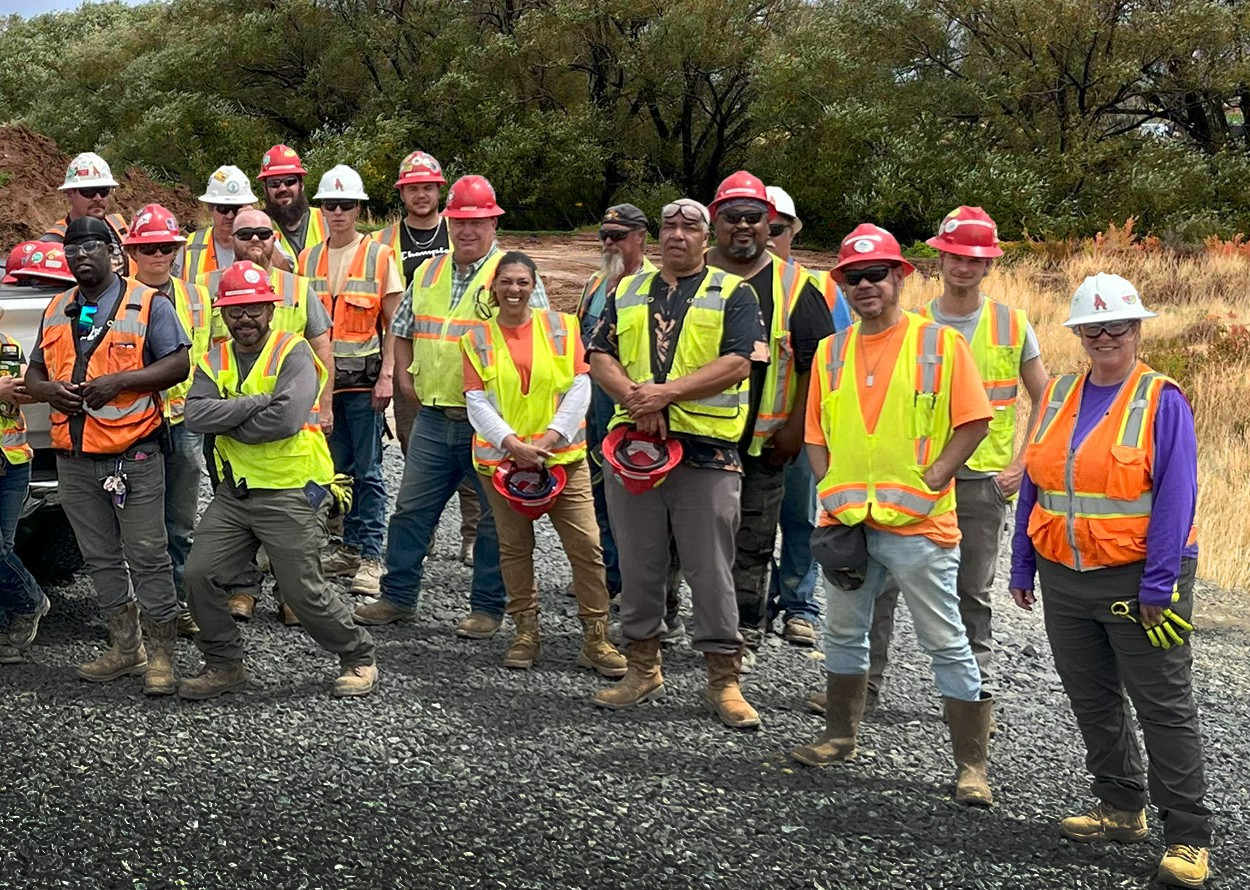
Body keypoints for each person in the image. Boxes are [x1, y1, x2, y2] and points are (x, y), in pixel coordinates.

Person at [1008, 273, 1210, 888]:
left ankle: (1189, 838)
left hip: (1139, 581)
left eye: (1115, 326)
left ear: (1137, 329)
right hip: (1064, 577)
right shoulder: (1059, 393)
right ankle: (1122, 809)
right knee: (1092, 699)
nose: (1103, 337)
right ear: (1077, 334)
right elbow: (1036, 480)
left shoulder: (1160, 398)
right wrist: (1021, 560)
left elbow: (1178, 496)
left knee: (1163, 707)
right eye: (1091, 328)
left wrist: (1159, 585)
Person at [791, 223, 996, 807]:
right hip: (850, 525)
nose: (864, 286)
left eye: (875, 274)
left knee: (946, 641)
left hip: (920, 528)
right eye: (852, 278)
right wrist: (829, 487)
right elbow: (815, 433)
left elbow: (974, 420)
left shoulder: (940, 344)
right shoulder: (831, 352)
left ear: (900, 276)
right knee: (843, 633)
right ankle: (839, 736)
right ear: (842, 287)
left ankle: (972, 768)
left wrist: (935, 478)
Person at [588, 197, 766, 730]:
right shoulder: (627, 289)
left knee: (710, 571)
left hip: (706, 452)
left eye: (690, 227)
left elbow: (738, 362)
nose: (677, 235)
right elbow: (599, 355)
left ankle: (723, 680)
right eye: (669, 226)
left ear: (706, 239)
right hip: (637, 446)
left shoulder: (734, 292)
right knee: (640, 563)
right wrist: (639, 400)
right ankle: (642, 668)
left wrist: (664, 395)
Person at [868, 206, 1048, 702]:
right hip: (916, 477)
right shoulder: (913, 323)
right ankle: (866, 686)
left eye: (973, 259)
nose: (962, 267)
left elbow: (1047, 398)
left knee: (971, 591)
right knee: (883, 586)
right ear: (938, 259)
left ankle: (974, 689)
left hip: (981, 481)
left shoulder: (1013, 325)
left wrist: (1021, 464)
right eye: (953, 256)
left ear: (990, 265)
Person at [353, 174, 547, 636]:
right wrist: (403, 377)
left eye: (478, 221)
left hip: (493, 425)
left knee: (493, 522)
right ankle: (397, 597)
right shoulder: (429, 272)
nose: (467, 230)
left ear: (494, 222)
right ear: (449, 219)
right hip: (436, 416)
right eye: (460, 220)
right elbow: (401, 328)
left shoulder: (513, 275)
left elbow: (539, 343)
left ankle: (486, 608)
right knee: (411, 512)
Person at [181, 261, 377, 699]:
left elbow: (286, 421)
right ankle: (224, 664)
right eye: (234, 311)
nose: (244, 318)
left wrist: (228, 420)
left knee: (301, 592)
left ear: (270, 309)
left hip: (292, 490)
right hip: (236, 495)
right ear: (223, 315)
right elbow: (194, 415)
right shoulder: (215, 357)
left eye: (253, 308)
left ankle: (358, 655)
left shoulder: (294, 351)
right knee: (198, 575)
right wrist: (255, 403)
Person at [25, 216, 191, 696]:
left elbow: (178, 363)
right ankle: (126, 648)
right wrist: (48, 391)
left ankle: (161, 658)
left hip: (132, 454)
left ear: (113, 252)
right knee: (100, 557)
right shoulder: (57, 307)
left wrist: (120, 381)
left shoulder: (148, 303)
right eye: (72, 247)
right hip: (73, 457)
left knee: (147, 555)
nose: (80, 255)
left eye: (91, 246)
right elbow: (35, 372)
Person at [461, 250, 626, 676]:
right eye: (506, 282)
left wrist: (550, 439)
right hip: (503, 464)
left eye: (522, 282)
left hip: (562, 460)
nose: (514, 290)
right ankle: (525, 633)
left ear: (535, 286)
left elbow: (580, 387)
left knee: (588, 548)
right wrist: (513, 445)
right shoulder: (476, 338)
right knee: (515, 550)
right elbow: (476, 402)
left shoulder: (563, 327)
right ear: (493, 288)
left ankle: (596, 637)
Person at [704, 172, 834, 656]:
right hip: (694, 437)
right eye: (732, 217)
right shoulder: (690, 274)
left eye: (754, 218)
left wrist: (795, 429)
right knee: (685, 539)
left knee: (754, 540)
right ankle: (670, 621)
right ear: (715, 221)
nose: (743, 226)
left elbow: (816, 366)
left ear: (770, 224)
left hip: (764, 443)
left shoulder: (796, 286)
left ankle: (741, 632)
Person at [200, 207, 337, 624]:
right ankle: (243, 588)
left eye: (263, 233)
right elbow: (205, 354)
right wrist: (234, 413)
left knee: (290, 516)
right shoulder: (212, 289)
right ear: (231, 240)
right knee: (234, 502)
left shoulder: (297, 288)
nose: (254, 242)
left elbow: (322, 346)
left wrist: (326, 403)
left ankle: (290, 592)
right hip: (230, 427)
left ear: (274, 238)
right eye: (245, 235)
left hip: (288, 424)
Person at [298, 165, 403, 597]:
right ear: (320, 209)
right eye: (329, 205)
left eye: (345, 205)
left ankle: (370, 556)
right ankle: (347, 546)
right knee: (335, 472)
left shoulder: (379, 255)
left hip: (364, 386)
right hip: (324, 387)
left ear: (359, 209)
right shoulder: (308, 258)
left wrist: (389, 377)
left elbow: (395, 322)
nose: (337, 212)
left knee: (370, 471)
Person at [760, 186, 852, 653]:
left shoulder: (820, 288)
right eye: (763, 225)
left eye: (778, 229)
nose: (769, 236)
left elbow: (837, 358)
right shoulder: (734, 279)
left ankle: (798, 605)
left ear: (793, 231)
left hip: (804, 428)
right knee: (750, 522)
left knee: (800, 519)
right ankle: (754, 607)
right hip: (748, 429)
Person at [374, 151, 476, 563]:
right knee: (418, 454)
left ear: (440, 189)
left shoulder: (460, 233)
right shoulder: (384, 241)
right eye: (413, 188)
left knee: (473, 455)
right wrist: (393, 371)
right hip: (410, 360)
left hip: (464, 363)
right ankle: (425, 535)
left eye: (428, 187)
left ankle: (472, 534)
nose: (421, 194)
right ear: (402, 193)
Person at [122, 205, 214, 638]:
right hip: (133, 424)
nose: (158, 255)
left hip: (185, 422)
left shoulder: (197, 296)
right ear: (133, 252)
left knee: (179, 522)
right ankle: (142, 606)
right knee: (140, 526)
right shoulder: (113, 297)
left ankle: (176, 605)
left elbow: (214, 355)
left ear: (177, 250)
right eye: (148, 248)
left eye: (166, 247)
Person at [574, 204, 661, 610]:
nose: (609, 242)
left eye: (619, 235)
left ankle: (635, 581)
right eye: (604, 235)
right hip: (591, 404)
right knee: (596, 490)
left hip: (630, 406)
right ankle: (608, 574)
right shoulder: (595, 282)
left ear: (641, 237)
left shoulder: (657, 286)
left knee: (633, 494)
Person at [0, 328, 50, 665]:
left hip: (12, 462)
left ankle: (20, 614)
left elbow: (23, 395)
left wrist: (30, 389)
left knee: (3, 549)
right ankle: (30, 602)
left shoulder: (8, 346)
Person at [179, 165, 273, 282]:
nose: (230, 216)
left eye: (236, 208)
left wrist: (251, 221)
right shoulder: (190, 246)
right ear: (210, 208)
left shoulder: (265, 237)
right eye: (223, 208)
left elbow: (287, 273)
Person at [42, 152, 129, 276]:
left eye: (103, 190)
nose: (98, 198)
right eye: (88, 191)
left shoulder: (118, 224)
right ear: (70, 194)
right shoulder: (53, 241)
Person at [257, 144, 327, 261]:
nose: (282, 188)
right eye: (274, 183)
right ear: (265, 189)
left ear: (302, 185)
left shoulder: (327, 220)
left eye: (290, 181)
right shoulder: (257, 229)